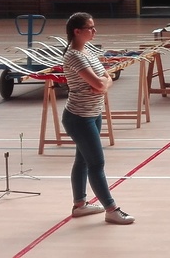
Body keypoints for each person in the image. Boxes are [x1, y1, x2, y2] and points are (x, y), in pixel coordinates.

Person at [61, 12, 135, 225]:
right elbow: (98, 83)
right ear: (77, 31)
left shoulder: (89, 52)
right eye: (90, 28)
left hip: (93, 113)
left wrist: (103, 85)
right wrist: (101, 85)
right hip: (79, 117)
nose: (94, 31)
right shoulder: (74, 56)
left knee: (82, 160)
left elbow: (107, 79)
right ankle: (111, 209)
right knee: (96, 163)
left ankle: (79, 205)